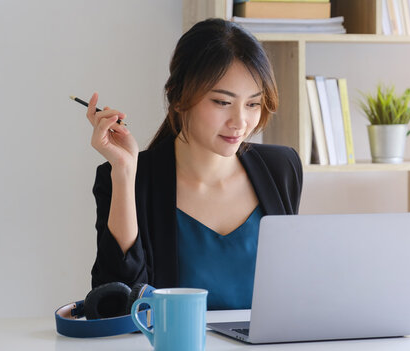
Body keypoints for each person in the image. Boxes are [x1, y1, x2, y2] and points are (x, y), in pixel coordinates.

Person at [84, 18, 303, 310]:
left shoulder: (282, 169)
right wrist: (124, 172)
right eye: (222, 102)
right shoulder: (134, 178)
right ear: (177, 97)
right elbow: (116, 306)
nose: (240, 122)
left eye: (252, 104)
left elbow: (292, 292)